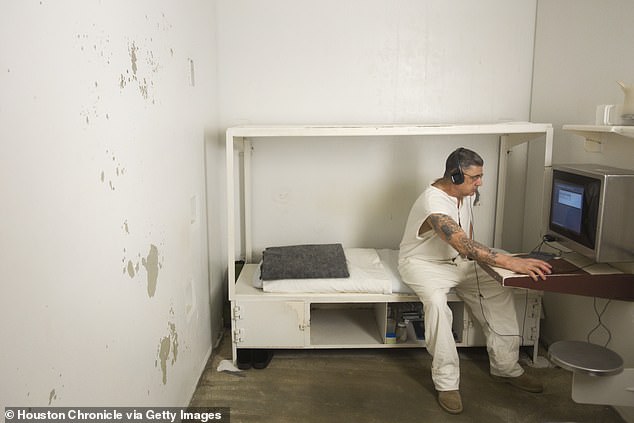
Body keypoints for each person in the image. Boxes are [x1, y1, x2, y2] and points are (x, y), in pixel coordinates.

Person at [398, 147, 552, 414]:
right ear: (455, 176)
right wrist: (508, 260)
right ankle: (447, 383)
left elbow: (466, 232)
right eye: (475, 177)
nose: (480, 182)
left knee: (499, 288)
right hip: (424, 265)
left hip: (460, 262)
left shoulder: (466, 192)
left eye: (481, 176)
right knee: (436, 305)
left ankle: (506, 368)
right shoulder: (433, 203)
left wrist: (490, 263)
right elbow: (461, 241)